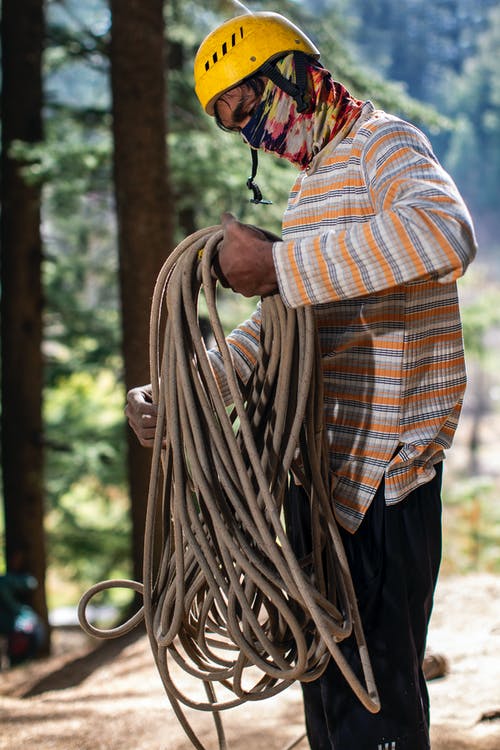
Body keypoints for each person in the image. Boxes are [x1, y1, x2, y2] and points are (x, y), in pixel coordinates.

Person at [125, 11, 477, 750]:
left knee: (376, 703)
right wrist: (187, 390)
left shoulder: (386, 145)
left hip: (389, 472)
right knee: (331, 693)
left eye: (249, 109)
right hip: (322, 477)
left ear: (295, 75)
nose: (253, 135)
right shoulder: (310, 190)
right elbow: (276, 329)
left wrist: (279, 265)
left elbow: (445, 233)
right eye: (235, 127)